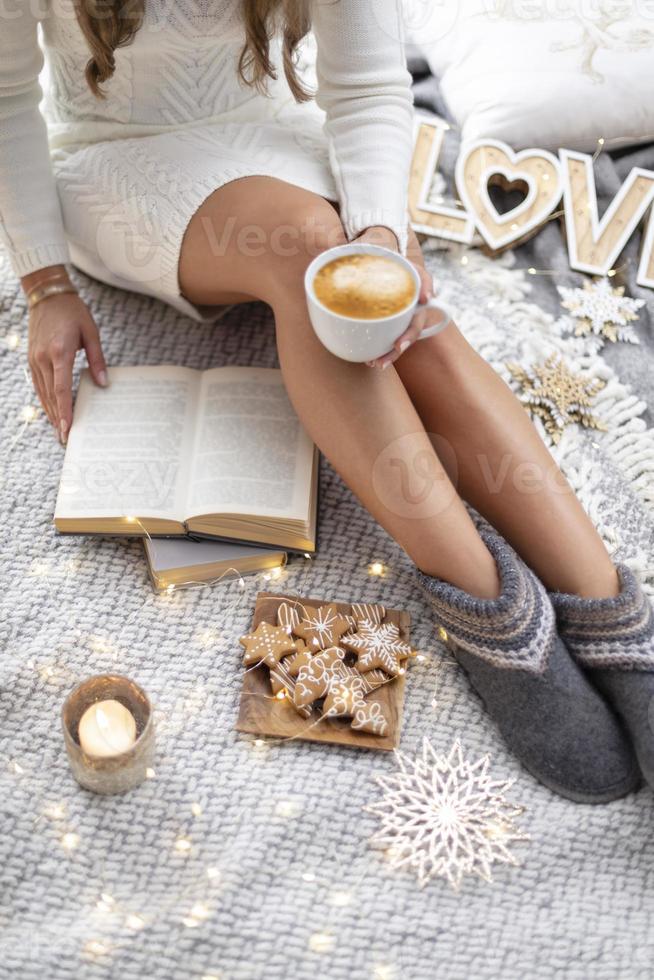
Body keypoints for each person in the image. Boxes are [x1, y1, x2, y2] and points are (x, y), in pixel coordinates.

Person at [2, 0, 652, 801]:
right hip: (118, 158)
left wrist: (382, 235)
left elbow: (370, 82)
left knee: (414, 321)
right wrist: (43, 283)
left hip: (283, 139)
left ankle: (610, 614)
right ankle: (484, 607)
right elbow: (7, 97)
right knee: (309, 245)